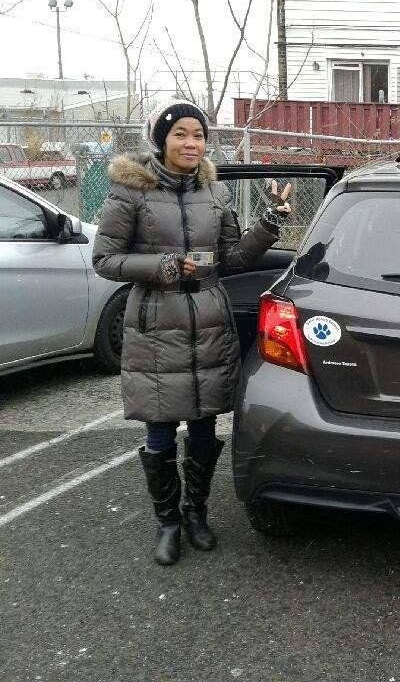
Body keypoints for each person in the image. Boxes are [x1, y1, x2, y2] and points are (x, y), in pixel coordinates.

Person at [92, 99, 292, 566]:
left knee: (204, 423)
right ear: (161, 140)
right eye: (180, 134)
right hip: (156, 323)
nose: (191, 143)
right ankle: (167, 523)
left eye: (198, 135)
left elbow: (233, 258)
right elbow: (105, 259)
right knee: (161, 427)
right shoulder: (130, 192)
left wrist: (270, 221)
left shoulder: (216, 193)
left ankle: (195, 512)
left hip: (208, 319)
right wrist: (162, 266)